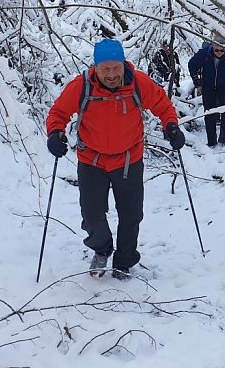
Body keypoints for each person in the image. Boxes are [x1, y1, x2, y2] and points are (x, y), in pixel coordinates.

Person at [46, 38, 186, 280]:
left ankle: (124, 260)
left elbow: (162, 105)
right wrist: (54, 133)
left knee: (131, 215)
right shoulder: (82, 86)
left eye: (116, 68)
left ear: (123, 65)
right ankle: (102, 249)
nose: (111, 74)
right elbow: (58, 112)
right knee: (92, 215)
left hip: (129, 159)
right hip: (92, 160)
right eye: (105, 69)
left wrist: (171, 126)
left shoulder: (138, 84)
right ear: (96, 68)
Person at [187, 42, 225, 147]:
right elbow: (192, 64)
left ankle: (223, 140)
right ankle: (211, 142)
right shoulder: (205, 53)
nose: (219, 52)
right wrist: (197, 82)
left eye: (222, 50)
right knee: (209, 113)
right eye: (217, 50)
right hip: (208, 86)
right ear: (212, 46)